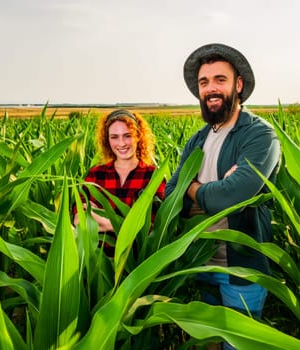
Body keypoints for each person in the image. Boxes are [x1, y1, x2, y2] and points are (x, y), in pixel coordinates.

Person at [165, 43, 281, 348]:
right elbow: (169, 194)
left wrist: (193, 188)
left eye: (220, 79)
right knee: (210, 342)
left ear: (238, 85)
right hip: (201, 262)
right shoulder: (197, 140)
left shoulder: (259, 135)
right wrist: (209, 191)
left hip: (241, 269)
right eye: (204, 82)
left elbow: (232, 196)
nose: (211, 88)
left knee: (239, 344)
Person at [74, 109, 165, 257]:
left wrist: (102, 220)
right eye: (114, 137)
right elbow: (80, 220)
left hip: (138, 262)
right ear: (107, 140)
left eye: (127, 136)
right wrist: (129, 224)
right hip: (99, 263)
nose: (121, 143)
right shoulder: (96, 175)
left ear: (138, 137)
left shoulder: (153, 176)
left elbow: (154, 229)